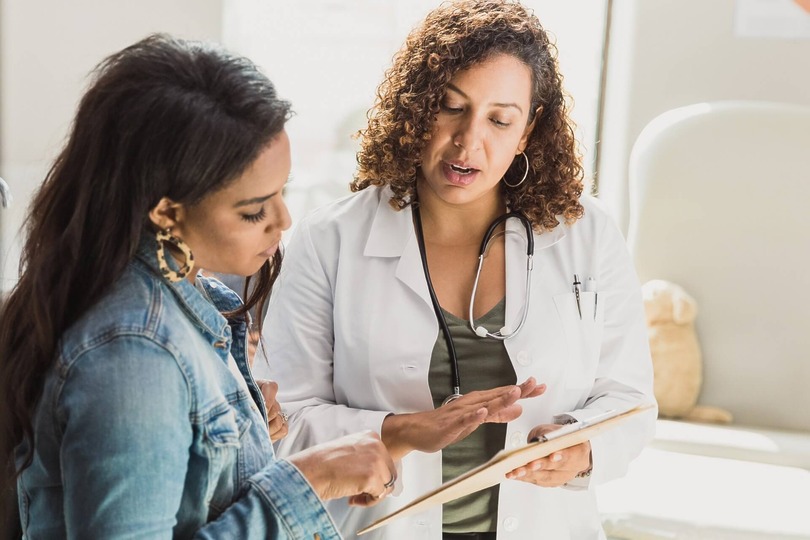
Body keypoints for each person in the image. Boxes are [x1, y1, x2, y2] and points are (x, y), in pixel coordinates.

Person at [259, 1, 657, 539]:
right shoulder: (329, 239)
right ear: (418, 108)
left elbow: (630, 400)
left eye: (499, 119)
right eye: (450, 107)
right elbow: (280, 422)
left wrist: (581, 449)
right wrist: (399, 431)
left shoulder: (586, 234)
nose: (469, 141)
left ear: (529, 129)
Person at [0, 34, 397, 539]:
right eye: (253, 210)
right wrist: (308, 481)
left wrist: (248, 444)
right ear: (166, 212)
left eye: (282, 192)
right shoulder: (134, 353)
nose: (283, 219)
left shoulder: (184, 300)